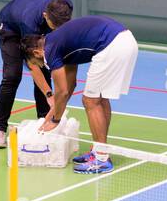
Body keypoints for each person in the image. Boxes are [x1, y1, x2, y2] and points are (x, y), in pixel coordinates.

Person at [22, 14, 138, 174]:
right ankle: (99, 150)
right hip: (125, 40)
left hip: (111, 45)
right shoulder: (59, 42)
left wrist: (55, 120)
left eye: (35, 64)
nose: (39, 66)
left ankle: (101, 158)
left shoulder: (49, 51)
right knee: (100, 98)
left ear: (36, 53)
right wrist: (53, 112)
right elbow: (70, 85)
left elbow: (62, 91)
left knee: (90, 101)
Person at [0, 0, 73, 148]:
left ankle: (44, 121)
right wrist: (50, 94)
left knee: (46, 69)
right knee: (12, 76)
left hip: (37, 24)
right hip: (11, 29)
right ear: (45, 16)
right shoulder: (29, 22)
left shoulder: (65, 6)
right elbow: (33, 65)